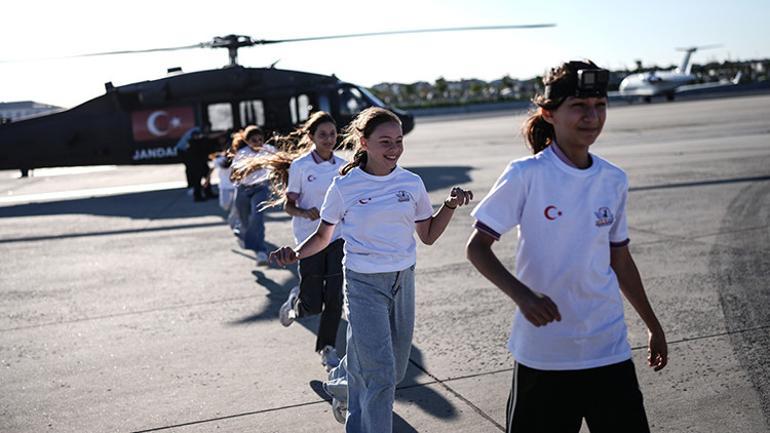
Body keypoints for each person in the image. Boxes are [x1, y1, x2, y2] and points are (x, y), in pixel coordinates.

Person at [465, 60, 668, 433]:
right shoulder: (526, 175)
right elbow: (478, 248)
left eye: (600, 106)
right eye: (578, 106)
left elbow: (620, 259)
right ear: (549, 113)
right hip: (545, 356)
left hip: (608, 348)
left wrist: (653, 325)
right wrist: (524, 297)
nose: (592, 116)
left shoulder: (613, 179)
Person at [270, 107, 473, 432]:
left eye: (398, 141)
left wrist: (448, 205)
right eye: (385, 142)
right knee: (381, 374)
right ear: (363, 142)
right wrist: (295, 253)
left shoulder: (411, 182)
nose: (394, 149)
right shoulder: (345, 186)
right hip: (363, 283)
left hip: (403, 280)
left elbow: (429, 235)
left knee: (392, 369)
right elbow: (324, 236)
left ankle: (341, 387)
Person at [235, 111, 347, 370]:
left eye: (332, 134)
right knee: (311, 304)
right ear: (311, 137)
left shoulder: (343, 165)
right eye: (323, 135)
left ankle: (327, 349)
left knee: (334, 297)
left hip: (338, 237)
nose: (329, 139)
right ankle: (295, 301)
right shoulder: (300, 166)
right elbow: (289, 205)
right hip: (308, 239)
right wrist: (304, 212)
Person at [230, 125, 276, 264]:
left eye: (260, 139)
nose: (258, 143)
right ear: (248, 142)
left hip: (261, 187)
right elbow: (234, 176)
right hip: (243, 188)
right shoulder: (242, 154)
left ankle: (261, 251)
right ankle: (241, 234)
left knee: (257, 217)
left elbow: (280, 163)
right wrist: (252, 167)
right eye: (254, 140)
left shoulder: (269, 150)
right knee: (245, 222)